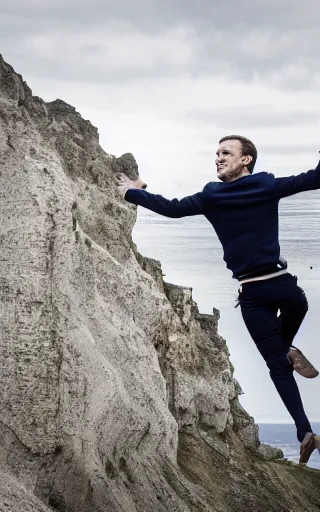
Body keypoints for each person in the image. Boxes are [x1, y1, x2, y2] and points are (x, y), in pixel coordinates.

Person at [117, 135, 320, 464]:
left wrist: (133, 191)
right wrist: (137, 189)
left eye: (227, 153)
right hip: (276, 289)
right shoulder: (252, 188)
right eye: (217, 153)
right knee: (287, 340)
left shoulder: (226, 193)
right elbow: (315, 178)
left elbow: (171, 209)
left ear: (246, 160)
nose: (218, 158)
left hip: (260, 291)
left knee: (279, 364)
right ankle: (306, 433)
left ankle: (291, 365)